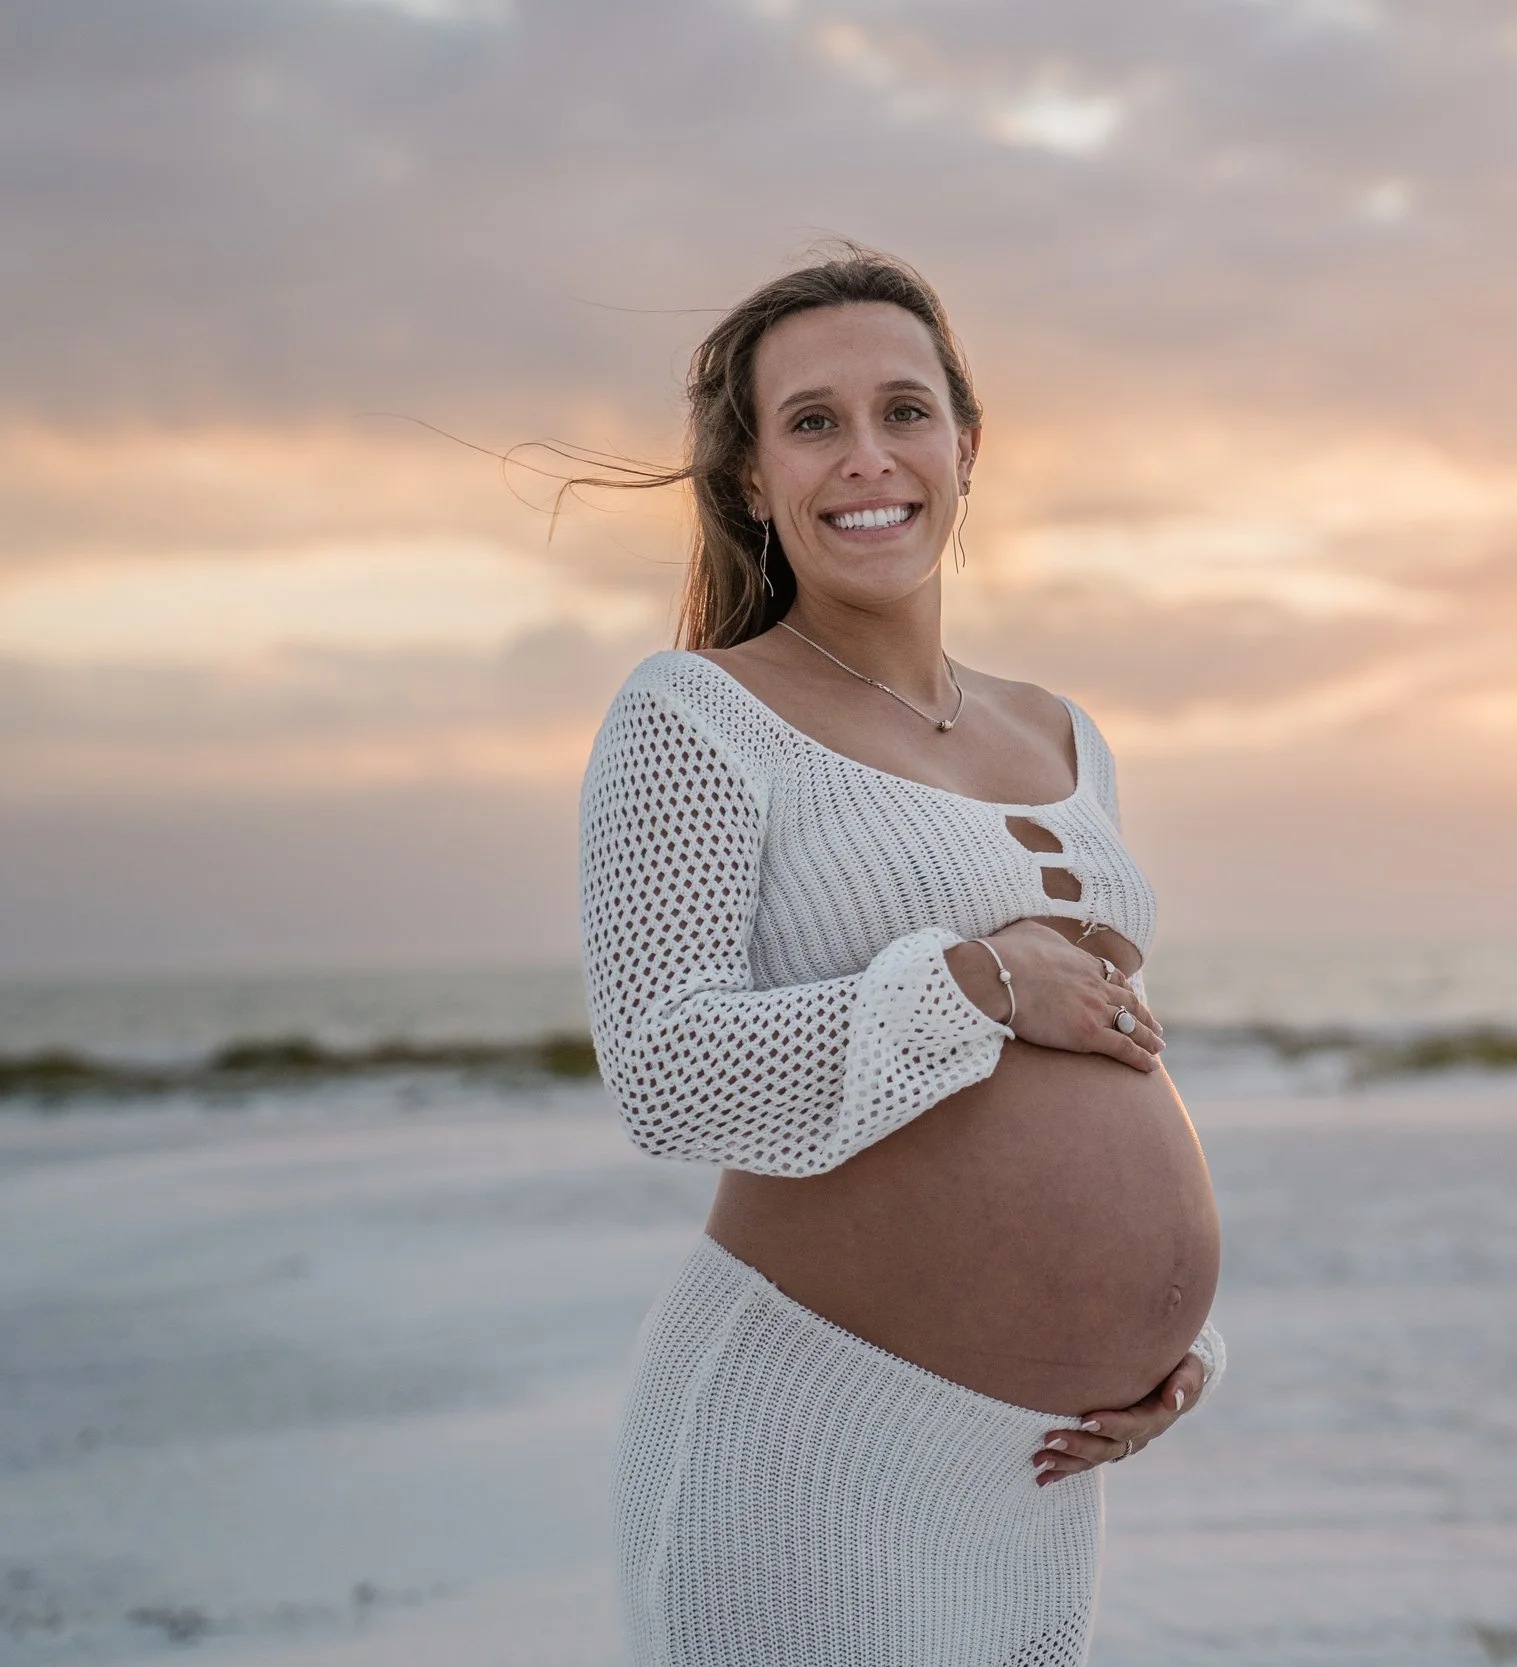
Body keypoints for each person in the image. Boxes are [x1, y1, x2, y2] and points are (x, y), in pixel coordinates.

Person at [576, 246, 1224, 1667]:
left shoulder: (1065, 731)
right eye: (812, 421)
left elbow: (1104, 1048)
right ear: (750, 477)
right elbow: (666, 1077)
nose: (867, 456)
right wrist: (979, 978)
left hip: (1041, 1468)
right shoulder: (696, 714)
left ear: (968, 444)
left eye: (904, 411)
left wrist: (1165, 1338)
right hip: (809, 1443)